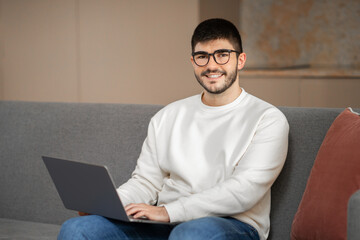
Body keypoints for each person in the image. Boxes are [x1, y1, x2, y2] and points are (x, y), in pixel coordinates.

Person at [58, 18, 289, 240]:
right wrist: (108, 203)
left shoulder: (267, 119)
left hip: (232, 224)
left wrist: (169, 211)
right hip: (164, 224)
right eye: (202, 56)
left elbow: (244, 191)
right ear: (192, 62)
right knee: (78, 229)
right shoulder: (167, 116)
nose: (211, 65)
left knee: (188, 234)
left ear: (240, 60)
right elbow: (146, 183)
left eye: (222, 55)